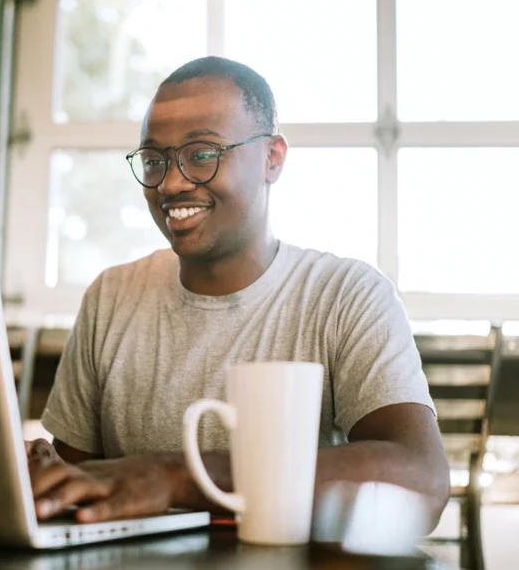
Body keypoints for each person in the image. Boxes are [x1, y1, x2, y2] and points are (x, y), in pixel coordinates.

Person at [25, 56, 450, 528]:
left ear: (273, 159)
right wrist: (45, 477)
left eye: (202, 154)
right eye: (153, 160)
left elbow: (421, 481)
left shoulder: (346, 296)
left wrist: (177, 476)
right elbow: (83, 486)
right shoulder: (111, 297)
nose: (170, 182)